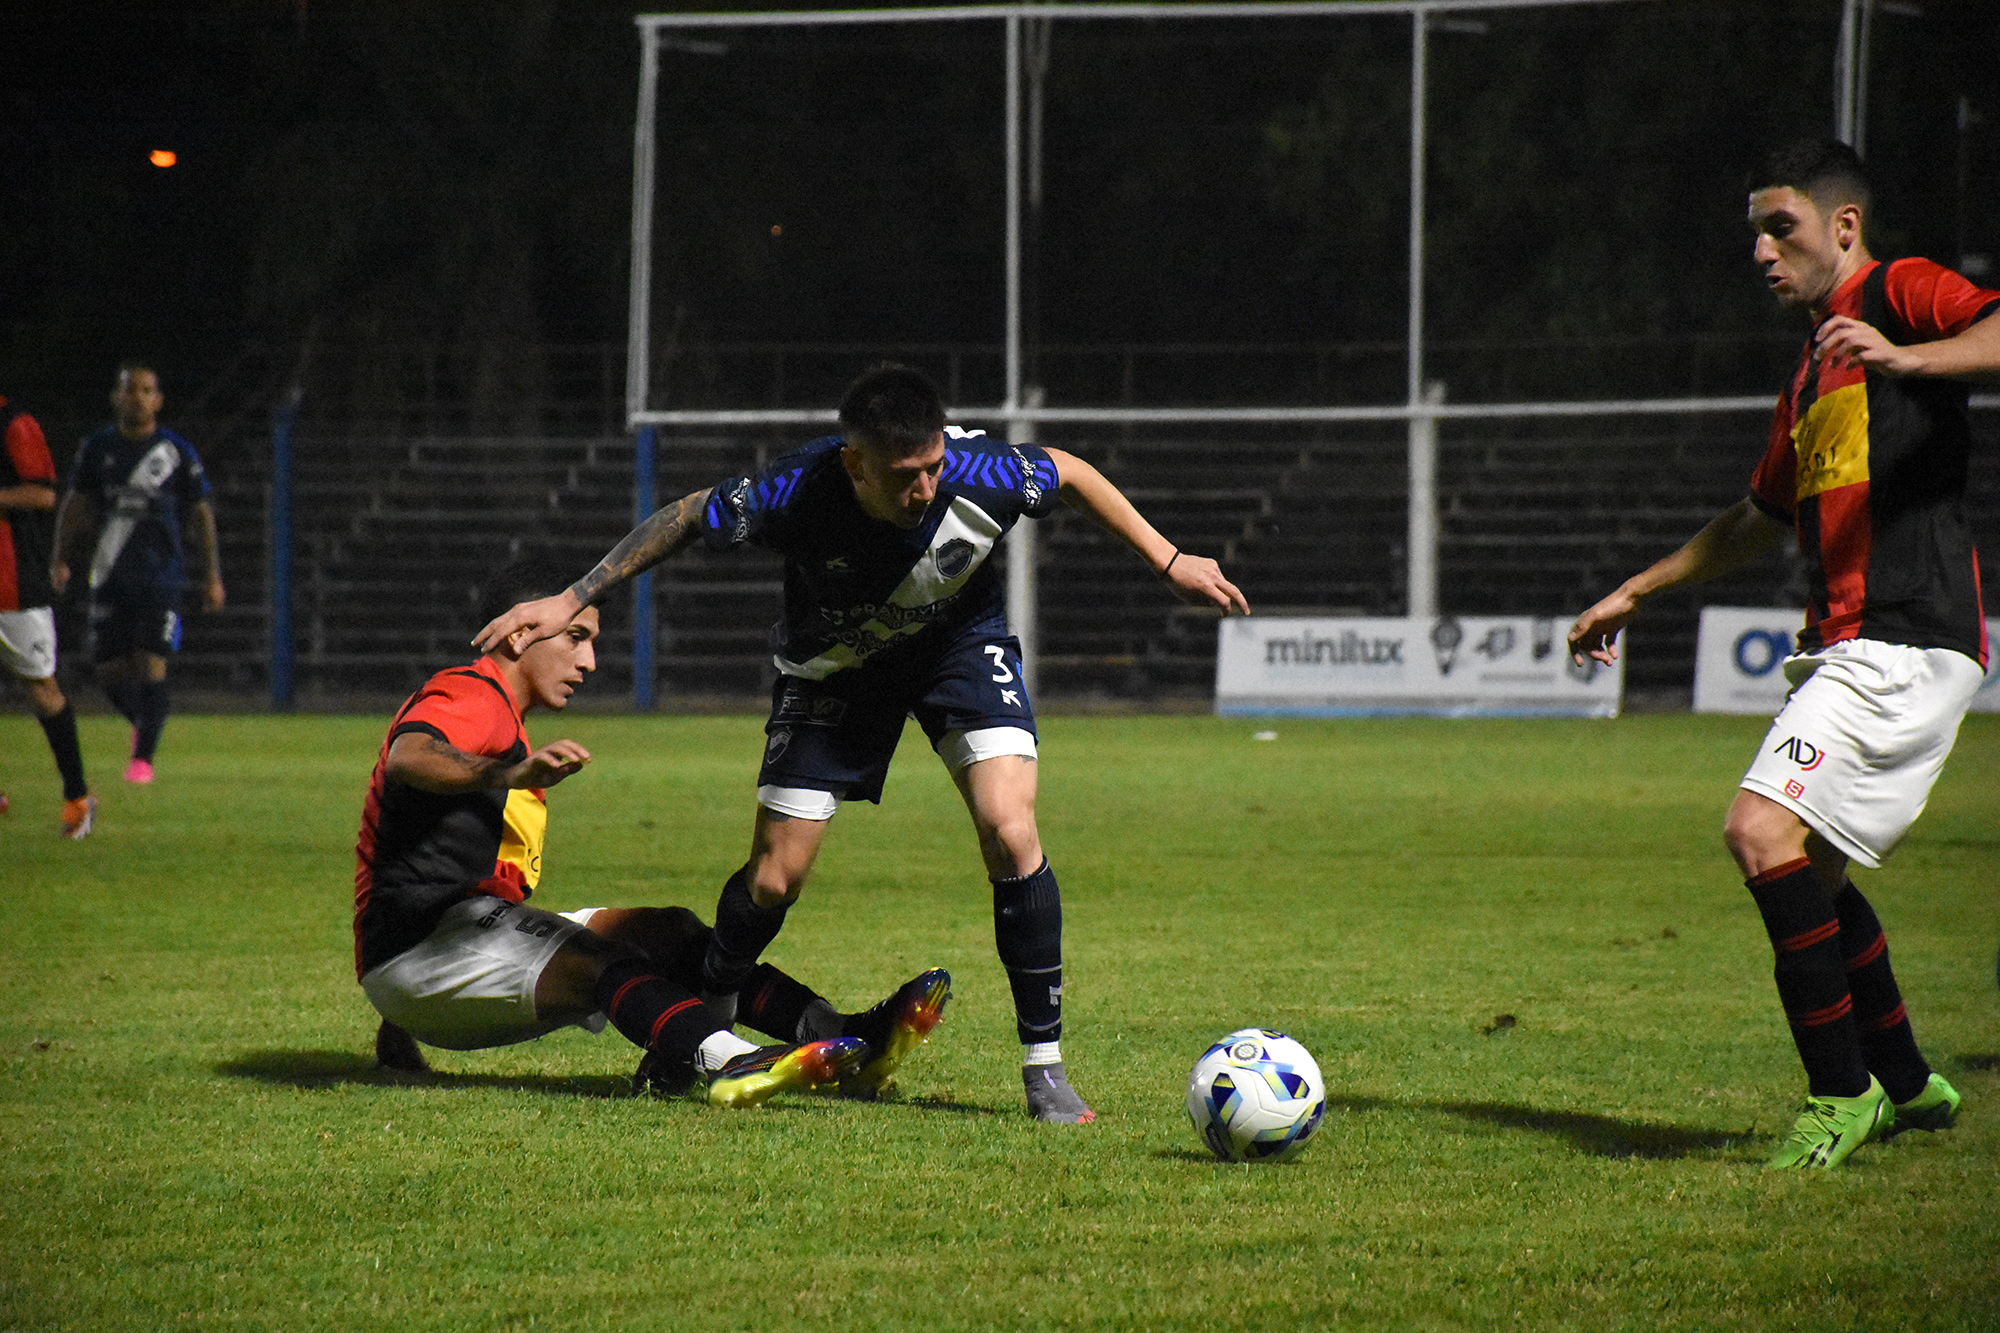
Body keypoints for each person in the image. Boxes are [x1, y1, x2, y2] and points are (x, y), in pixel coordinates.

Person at [474, 362, 1251, 1123]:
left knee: (1011, 829)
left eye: (934, 467)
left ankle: (1043, 1066)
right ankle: (711, 1013)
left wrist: (1169, 559)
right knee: (774, 877)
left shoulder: (979, 472)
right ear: (855, 464)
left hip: (958, 647)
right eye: (906, 475)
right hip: (835, 669)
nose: (926, 489)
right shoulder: (797, 487)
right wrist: (574, 595)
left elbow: (1069, 471)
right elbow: (684, 515)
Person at [1568, 139, 2000, 1169]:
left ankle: (1839, 1093)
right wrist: (1637, 589)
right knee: (1813, 873)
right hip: (1855, 640)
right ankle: (1906, 1084)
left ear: (1842, 227)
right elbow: (1758, 517)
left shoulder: (1896, 294)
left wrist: (1909, 357)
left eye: (1781, 228)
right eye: (1754, 234)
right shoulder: (1810, 370)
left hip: (1903, 630)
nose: (1762, 251)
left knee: (1758, 831)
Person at [358, 557, 952, 1107]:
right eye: (576, 637)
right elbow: (412, 756)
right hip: (424, 953)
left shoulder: (496, 711)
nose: (589, 662)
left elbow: (411, 855)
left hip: (440, 950)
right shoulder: (474, 693)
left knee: (666, 933)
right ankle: (730, 1060)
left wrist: (397, 1026)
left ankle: (845, 1037)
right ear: (519, 634)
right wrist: (505, 774)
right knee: (597, 959)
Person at [50, 363, 225, 785]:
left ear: (158, 400)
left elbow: (201, 512)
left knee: (151, 661)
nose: (137, 398)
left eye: (146, 391)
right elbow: (76, 504)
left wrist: (212, 575)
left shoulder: (175, 451)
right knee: (109, 672)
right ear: (116, 397)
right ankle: (145, 722)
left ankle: (142, 760)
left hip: (161, 577)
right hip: (109, 573)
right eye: (130, 390)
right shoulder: (97, 448)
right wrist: (60, 558)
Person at [0, 392, 95, 838]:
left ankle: (78, 798)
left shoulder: (15, 424)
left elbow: (42, 494)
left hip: (12, 582)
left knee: (42, 689)